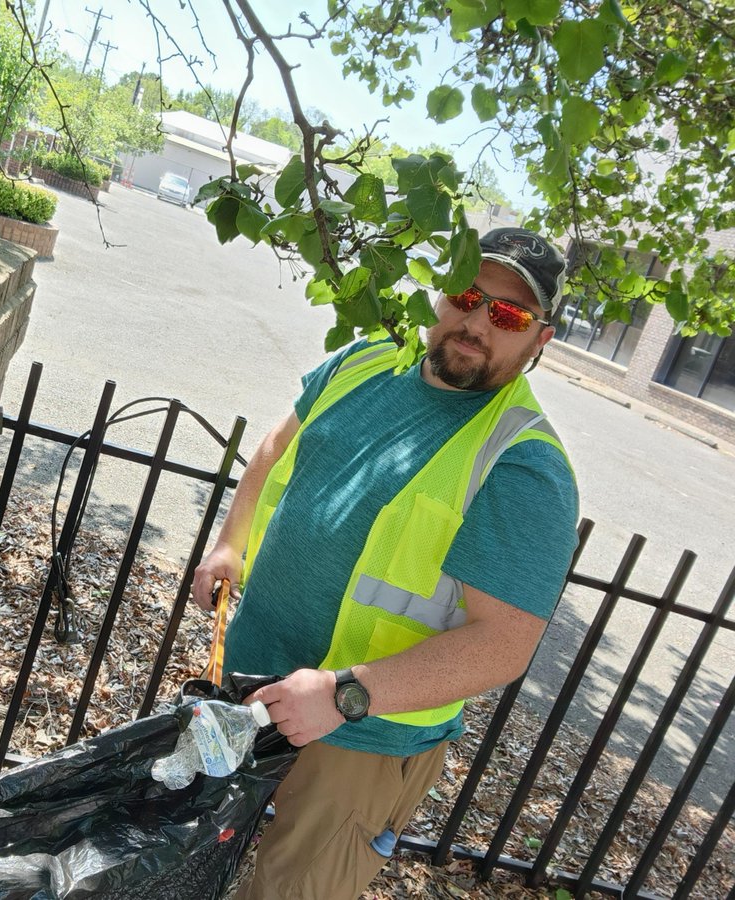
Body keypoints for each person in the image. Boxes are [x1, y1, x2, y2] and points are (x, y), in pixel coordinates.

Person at [191, 227, 580, 900]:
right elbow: (277, 444)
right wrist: (231, 542)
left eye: (509, 313)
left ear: (539, 339)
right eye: (465, 294)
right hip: (247, 680)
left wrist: (346, 695)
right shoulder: (367, 359)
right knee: (185, 854)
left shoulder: (525, 464)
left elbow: (504, 647)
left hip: (360, 739)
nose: (476, 320)